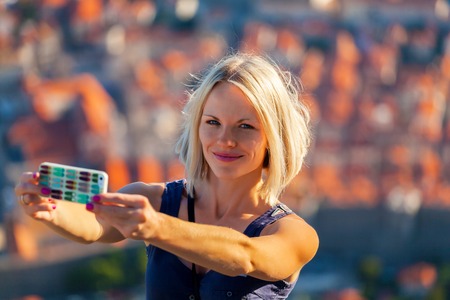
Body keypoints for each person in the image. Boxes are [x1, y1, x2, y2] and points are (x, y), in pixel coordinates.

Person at [15, 53, 319, 299]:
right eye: (212, 122)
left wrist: (156, 227)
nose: (225, 140)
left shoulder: (294, 235)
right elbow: (96, 226)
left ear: (274, 138)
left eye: (245, 126)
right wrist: (50, 210)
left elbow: (244, 256)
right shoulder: (156, 200)